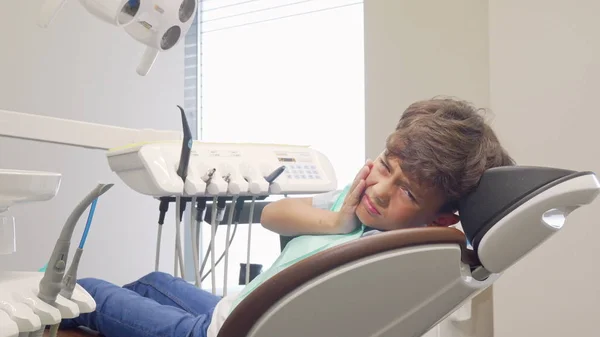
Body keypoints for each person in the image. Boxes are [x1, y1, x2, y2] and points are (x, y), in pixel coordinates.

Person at [59, 97, 514, 337]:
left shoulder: (389, 255)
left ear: (440, 219)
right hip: (229, 310)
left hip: (219, 332)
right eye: (385, 166)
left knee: (86, 290)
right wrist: (336, 222)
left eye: (407, 192)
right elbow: (274, 215)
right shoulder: (357, 207)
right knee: (154, 280)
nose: (379, 189)